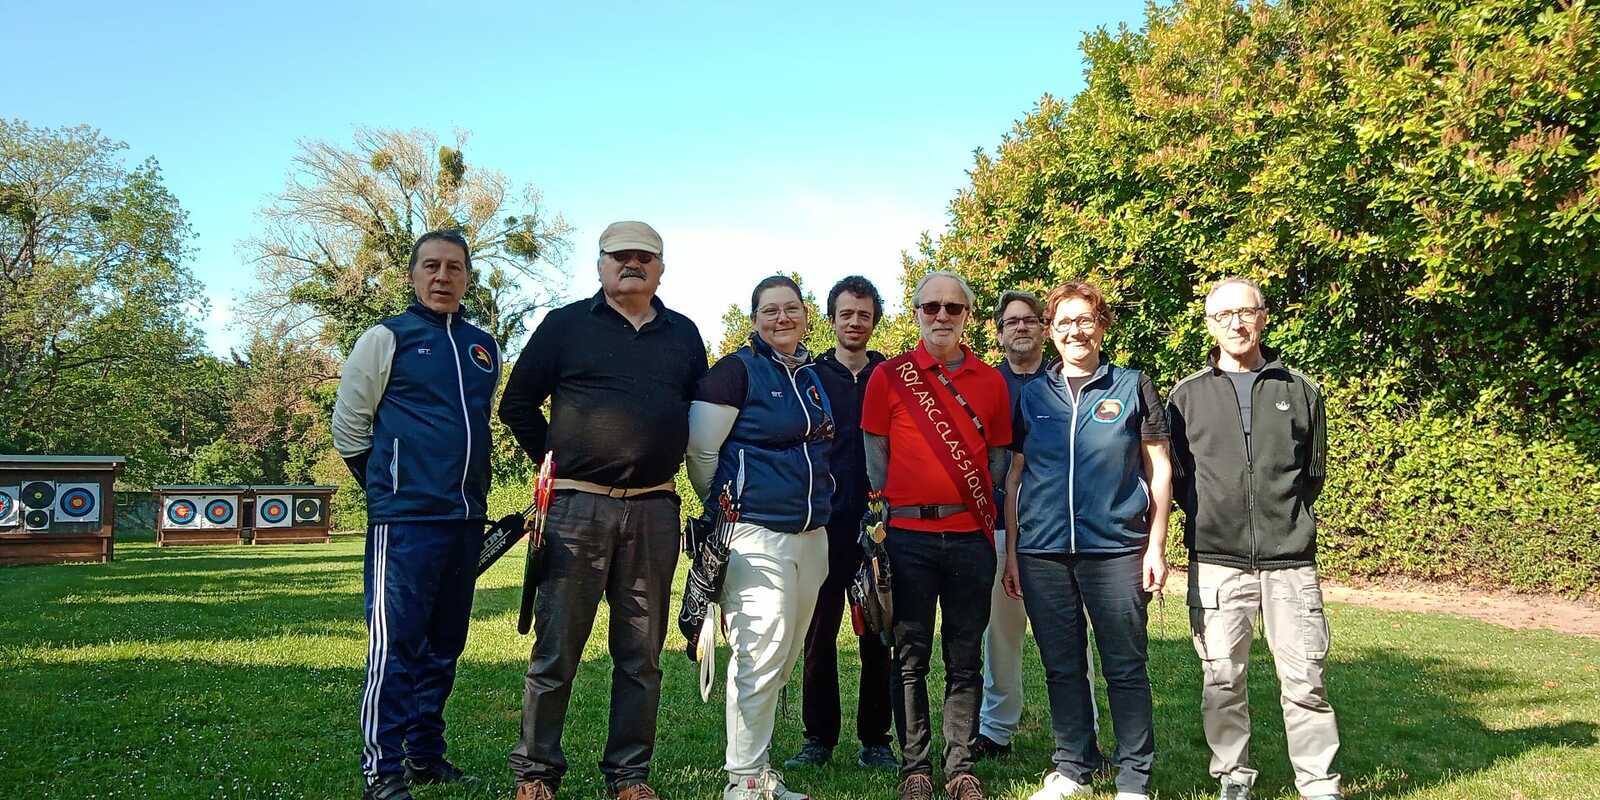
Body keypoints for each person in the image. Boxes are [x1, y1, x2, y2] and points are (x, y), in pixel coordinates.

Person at [498, 221, 708, 800]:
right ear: (600, 265)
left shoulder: (685, 335)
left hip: (655, 510)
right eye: (620, 256)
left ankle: (629, 776)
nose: (631, 264)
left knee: (642, 656)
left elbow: (701, 417)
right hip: (574, 510)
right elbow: (517, 404)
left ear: (661, 269)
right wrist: (558, 460)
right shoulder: (564, 325)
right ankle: (536, 772)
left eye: (645, 257)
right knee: (555, 651)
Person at [333, 229, 500, 800]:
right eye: (431, 266)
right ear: (412, 275)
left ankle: (425, 756)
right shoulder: (386, 338)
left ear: (467, 277)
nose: (442, 277)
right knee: (397, 647)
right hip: (405, 524)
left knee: (444, 646)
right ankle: (382, 771)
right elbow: (349, 428)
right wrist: (392, 487)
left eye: (454, 267)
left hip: (465, 521)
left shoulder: (484, 348)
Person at [1167, 277, 1341, 800]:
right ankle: (1232, 777)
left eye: (1245, 312)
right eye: (1223, 315)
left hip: (1290, 561)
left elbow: (1312, 474)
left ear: (1263, 317)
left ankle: (1318, 783)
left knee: (1306, 678)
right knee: (1222, 679)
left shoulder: (1300, 390)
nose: (1236, 324)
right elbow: (1178, 477)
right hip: (1216, 562)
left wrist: (1282, 521)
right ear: (1209, 325)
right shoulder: (1186, 397)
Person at [1001, 282, 1171, 800]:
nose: (1075, 331)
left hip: (1116, 549)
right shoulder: (1032, 395)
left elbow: (1158, 468)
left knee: (1124, 665)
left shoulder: (1132, 385)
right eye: (1064, 322)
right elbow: (1015, 476)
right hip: (1043, 552)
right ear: (1051, 332)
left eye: (1085, 320)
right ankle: (1073, 765)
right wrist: (1013, 554)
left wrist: (1156, 545)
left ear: (1101, 325)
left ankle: (1134, 777)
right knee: (1062, 666)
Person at [861, 271, 1012, 800]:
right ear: (917, 313)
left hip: (970, 536)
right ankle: (916, 768)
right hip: (906, 538)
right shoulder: (889, 377)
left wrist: (962, 499)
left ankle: (961, 767)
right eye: (931, 307)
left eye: (953, 308)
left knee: (965, 658)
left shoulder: (991, 381)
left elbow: (997, 460)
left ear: (968, 316)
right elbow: (875, 455)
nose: (942, 316)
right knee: (909, 657)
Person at [686, 275, 835, 800]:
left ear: (806, 316)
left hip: (811, 534)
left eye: (791, 308)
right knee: (761, 650)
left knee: (786, 654)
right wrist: (727, 506)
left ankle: (760, 769)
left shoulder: (812, 376)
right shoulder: (735, 371)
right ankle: (744, 780)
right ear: (754, 319)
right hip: (753, 532)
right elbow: (701, 453)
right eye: (770, 310)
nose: (782, 318)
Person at [786, 276, 897, 772]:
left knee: (878, 631)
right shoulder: (809, 377)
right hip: (821, 524)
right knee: (819, 634)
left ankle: (876, 740)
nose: (855, 322)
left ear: (875, 322)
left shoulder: (890, 377)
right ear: (831, 319)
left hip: (877, 525)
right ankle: (818, 738)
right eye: (846, 314)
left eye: (864, 315)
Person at [972, 289, 1051, 761]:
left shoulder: (1065, 381)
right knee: (1000, 637)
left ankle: (1080, 730)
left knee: (1067, 640)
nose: (1020, 327)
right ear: (999, 333)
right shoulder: (984, 384)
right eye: (1011, 322)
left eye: (1029, 320)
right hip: (998, 528)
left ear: (1043, 328)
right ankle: (995, 730)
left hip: (1056, 531)